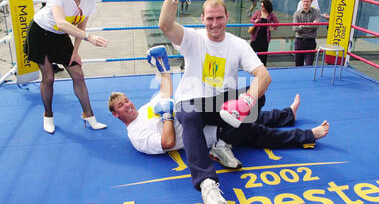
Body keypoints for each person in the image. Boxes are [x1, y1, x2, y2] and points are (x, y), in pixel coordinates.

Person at [158, 0, 272, 204]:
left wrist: (248, 100)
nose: (215, 23)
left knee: (260, 97)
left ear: (227, 18)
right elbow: (165, 25)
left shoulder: (238, 43)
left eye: (219, 18)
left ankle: (223, 145)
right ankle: (208, 184)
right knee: (188, 113)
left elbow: (263, 75)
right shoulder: (192, 38)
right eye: (210, 18)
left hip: (221, 103)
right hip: (192, 101)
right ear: (202, 19)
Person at [108, 45, 330, 175]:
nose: (127, 105)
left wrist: (163, 69)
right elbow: (166, 143)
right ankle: (309, 135)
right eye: (121, 106)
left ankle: (288, 114)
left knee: (251, 110)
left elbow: (165, 92)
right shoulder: (136, 135)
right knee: (257, 132)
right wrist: (166, 116)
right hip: (211, 136)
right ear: (116, 115)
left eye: (126, 100)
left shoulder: (148, 107)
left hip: (203, 114)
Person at [23, 0, 109, 134]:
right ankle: (48, 115)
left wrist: (75, 52)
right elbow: (61, 23)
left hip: (60, 37)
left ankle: (88, 115)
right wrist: (89, 38)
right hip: (40, 33)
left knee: (78, 74)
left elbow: (81, 28)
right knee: (48, 78)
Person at [293, 0, 321, 66]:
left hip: (310, 41)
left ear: (311, 2)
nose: (305, 3)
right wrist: (310, 25)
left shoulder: (316, 12)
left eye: (307, 1)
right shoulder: (297, 14)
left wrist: (302, 26)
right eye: (304, 1)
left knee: (309, 65)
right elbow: (295, 28)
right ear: (302, 2)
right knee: (298, 64)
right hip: (299, 41)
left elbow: (316, 26)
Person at [250, 0, 280, 66]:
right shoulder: (258, 12)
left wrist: (272, 28)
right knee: (253, 53)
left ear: (267, 7)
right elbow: (251, 19)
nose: (261, 7)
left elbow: (277, 23)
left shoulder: (271, 14)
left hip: (265, 38)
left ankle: (262, 68)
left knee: (263, 54)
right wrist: (255, 21)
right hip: (256, 36)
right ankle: (252, 67)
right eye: (260, 6)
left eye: (262, 6)